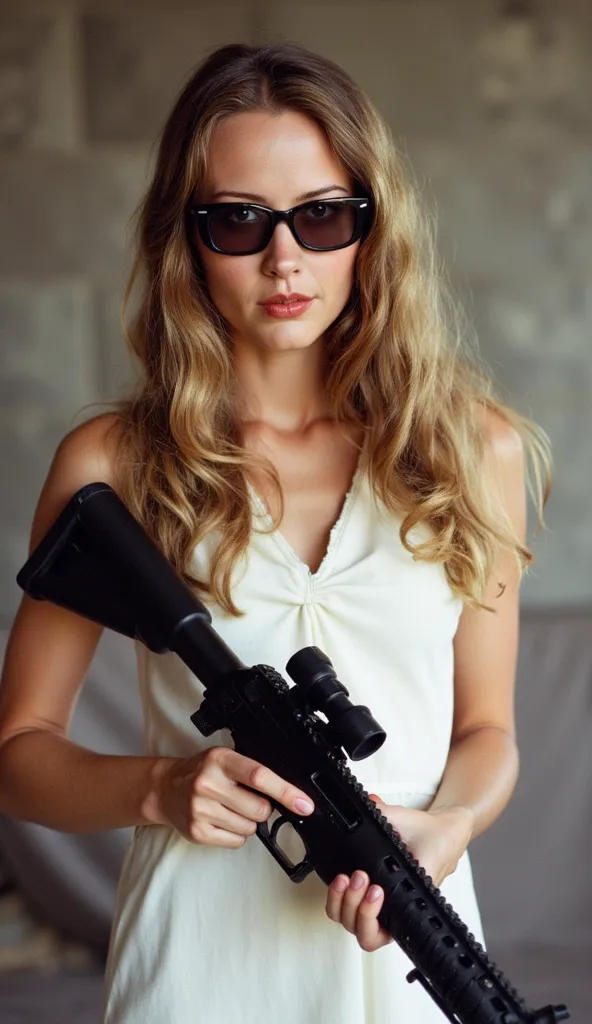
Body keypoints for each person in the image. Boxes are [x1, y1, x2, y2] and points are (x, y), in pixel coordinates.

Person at [0, 41, 552, 1024]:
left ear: (370, 231)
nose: (285, 258)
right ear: (187, 237)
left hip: (407, 940)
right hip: (195, 964)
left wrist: (446, 824)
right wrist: (163, 786)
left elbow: (488, 731)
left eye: (323, 216)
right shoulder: (114, 464)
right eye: (240, 221)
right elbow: (19, 753)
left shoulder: (474, 449)